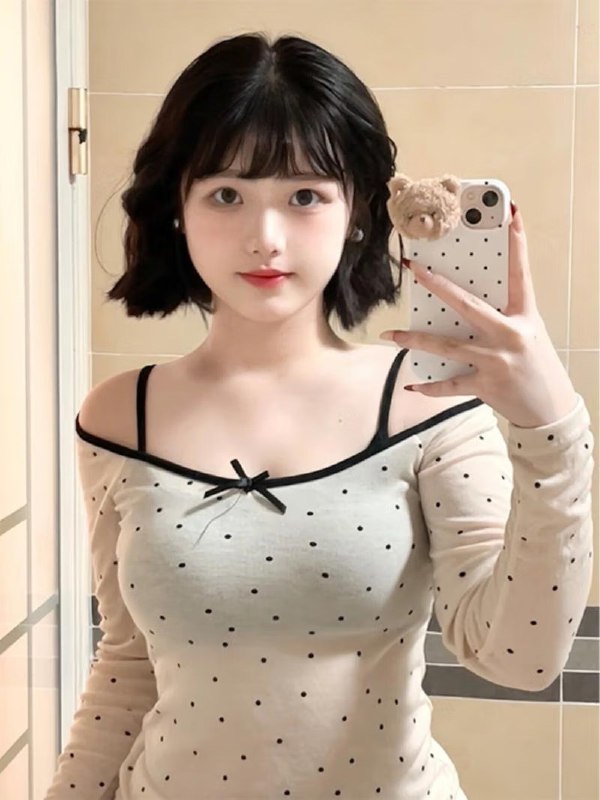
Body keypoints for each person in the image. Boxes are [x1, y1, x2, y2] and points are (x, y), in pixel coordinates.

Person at [44, 32, 594, 800]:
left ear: (358, 212)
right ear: (177, 208)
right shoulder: (117, 419)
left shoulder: (428, 406)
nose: (264, 238)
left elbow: (519, 660)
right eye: (226, 194)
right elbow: (127, 668)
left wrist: (553, 432)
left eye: (305, 196)